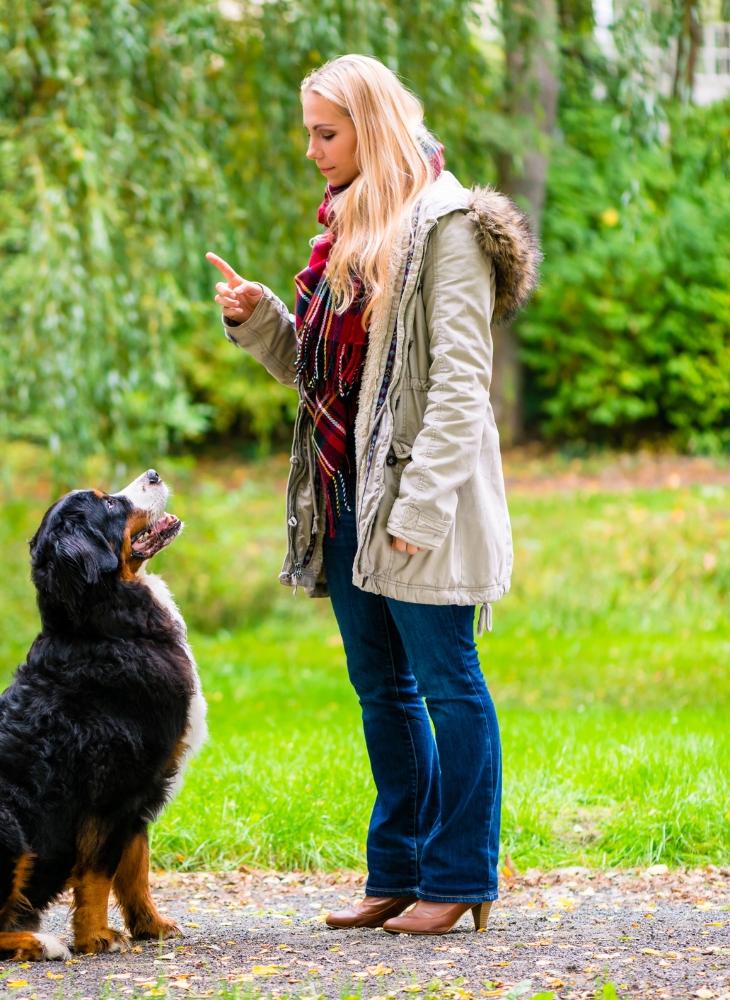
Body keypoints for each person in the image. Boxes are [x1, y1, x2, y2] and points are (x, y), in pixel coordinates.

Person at [207, 54, 539, 936]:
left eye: (327, 132)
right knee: (381, 688)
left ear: (373, 125)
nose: (313, 151)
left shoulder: (449, 226)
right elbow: (322, 377)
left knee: (447, 681)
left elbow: (463, 385)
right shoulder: (348, 228)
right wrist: (260, 319)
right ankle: (398, 869)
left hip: (418, 502)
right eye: (309, 132)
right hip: (344, 492)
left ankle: (462, 874)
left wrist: (419, 511)